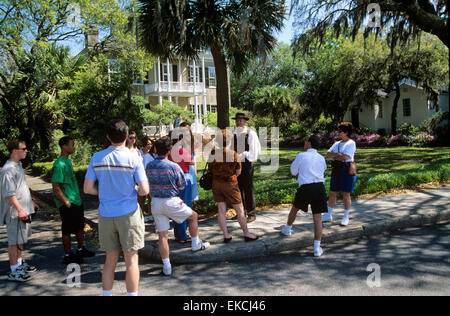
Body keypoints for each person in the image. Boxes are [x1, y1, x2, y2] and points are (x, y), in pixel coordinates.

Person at [84, 119, 149, 296]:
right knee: (131, 261)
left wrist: (105, 192)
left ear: (107, 136)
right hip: (129, 214)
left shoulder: (97, 157)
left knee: (109, 261)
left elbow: (88, 188)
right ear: (127, 136)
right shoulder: (133, 158)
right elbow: (144, 190)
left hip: (105, 214)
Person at [146, 136, 209, 276]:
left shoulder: (149, 165)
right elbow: (181, 186)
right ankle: (195, 244)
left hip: (155, 201)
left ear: (155, 149)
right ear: (169, 151)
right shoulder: (173, 166)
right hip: (170, 200)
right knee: (193, 216)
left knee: (162, 235)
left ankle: (167, 265)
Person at [280, 135, 327, 257]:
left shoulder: (301, 155)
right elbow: (323, 170)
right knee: (317, 218)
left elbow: (293, 172)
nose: (305, 143)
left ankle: (288, 228)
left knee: (295, 209)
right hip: (319, 187)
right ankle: (317, 247)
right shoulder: (321, 158)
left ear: (309, 143)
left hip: (305, 187)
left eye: (306, 141)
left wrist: (300, 173)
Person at [208, 129, 258, 243]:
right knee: (240, 210)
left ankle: (226, 235)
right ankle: (246, 233)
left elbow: (211, 169)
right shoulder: (233, 154)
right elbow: (238, 172)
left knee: (221, 210)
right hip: (230, 184)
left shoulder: (213, 153)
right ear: (230, 140)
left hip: (216, 184)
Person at [51, 136, 95, 265]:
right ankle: (68, 254)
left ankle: (81, 249)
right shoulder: (59, 164)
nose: (73, 147)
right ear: (64, 146)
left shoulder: (67, 161)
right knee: (67, 229)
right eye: (72, 145)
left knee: (79, 227)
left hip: (76, 201)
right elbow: (56, 186)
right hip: (68, 203)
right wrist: (66, 202)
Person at [0, 139, 40, 282]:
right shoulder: (8, 170)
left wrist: (31, 202)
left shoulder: (18, 165)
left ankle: (19, 263)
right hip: (15, 213)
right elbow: (9, 194)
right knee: (14, 242)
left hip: (24, 209)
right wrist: (20, 210)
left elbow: (21, 187)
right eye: (23, 149)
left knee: (21, 239)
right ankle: (14, 270)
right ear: (14, 151)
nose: (26, 151)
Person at [322, 122, 357, 226]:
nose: (338, 133)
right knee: (332, 192)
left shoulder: (351, 143)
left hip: (346, 169)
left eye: (340, 131)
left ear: (346, 132)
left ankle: (346, 216)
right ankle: (328, 214)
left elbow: (346, 157)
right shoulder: (337, 143)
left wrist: (336, 156)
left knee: (346, 193)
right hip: (336, 168)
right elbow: (327, 154)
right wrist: (338, 155)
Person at [233, 113, 261, 223]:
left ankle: (251, 213)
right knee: (238, 189)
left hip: (246, 164)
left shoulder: (250, 134)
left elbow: (254, 151)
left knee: (248, 188)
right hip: (235, 165)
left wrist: (244, 154)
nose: (238, 122)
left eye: (241, 120)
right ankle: (241, 212)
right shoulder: (234, 134)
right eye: (237, 120)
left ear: (245, 121)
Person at [139, 136, 154, 223]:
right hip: (143, 178)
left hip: (150, 179)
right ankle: (141, 215)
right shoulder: (139, 153)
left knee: (150, 198)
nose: (150, 146)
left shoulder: (152, 154)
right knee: (141, 198)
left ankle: (150, 214)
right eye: (148, 144)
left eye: (151, 144)